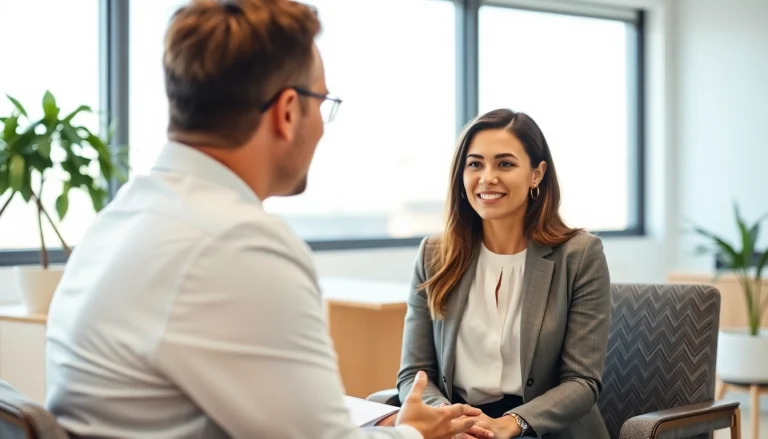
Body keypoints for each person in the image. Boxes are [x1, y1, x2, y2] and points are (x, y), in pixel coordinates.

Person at [43, 1, 491, 438]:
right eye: (323, 102)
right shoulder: (236, 243)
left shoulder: (125, 215)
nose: (322, 126)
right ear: (288, 110)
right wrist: (414, 433)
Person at [392, 109, 612, 439]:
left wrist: (510, 424)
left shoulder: (580, 255)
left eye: (505, 164)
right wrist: (450, 422)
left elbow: (582, 382)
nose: (487, 177)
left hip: (541, 430)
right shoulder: (434, 255)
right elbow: (414, 373)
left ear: (537, 174)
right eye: (475, 164)